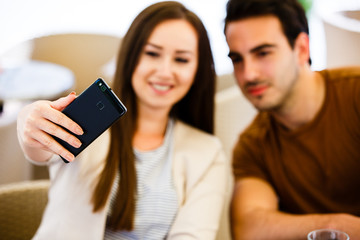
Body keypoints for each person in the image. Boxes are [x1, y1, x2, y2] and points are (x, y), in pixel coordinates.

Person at [17, 1, 228, 239]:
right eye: (152, 53)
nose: (165, 71)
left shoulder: (208, 152)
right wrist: (29, 119)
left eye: (181, 59)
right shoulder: (89, 122)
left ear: (197, 70)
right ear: (130, 55)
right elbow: (40, 149)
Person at [223, 0, 360, 239]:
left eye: (263, 53)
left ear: (302, 49)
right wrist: (337, 226)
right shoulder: (252, 145)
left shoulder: (355, 93)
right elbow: (248, 227)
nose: (248, 74)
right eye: (237, 59)